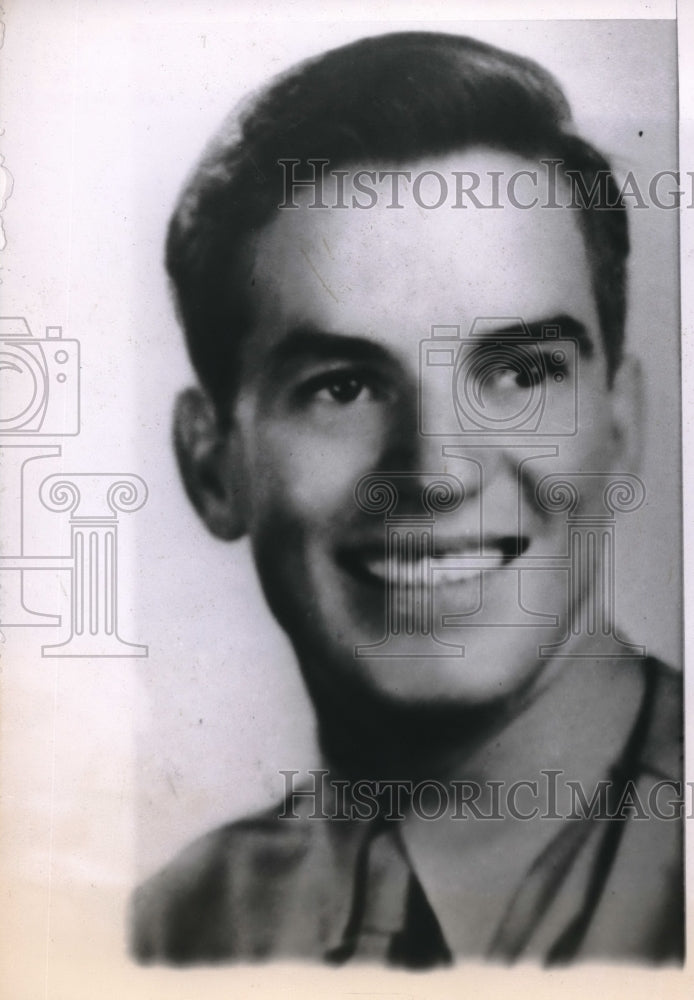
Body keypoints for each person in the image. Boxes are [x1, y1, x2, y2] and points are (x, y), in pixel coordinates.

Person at [131, 31, 683, 966]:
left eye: (518, 374)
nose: (436, 471)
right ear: (212, 462)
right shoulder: (163, 938)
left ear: (618, 424)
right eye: (343, 386)